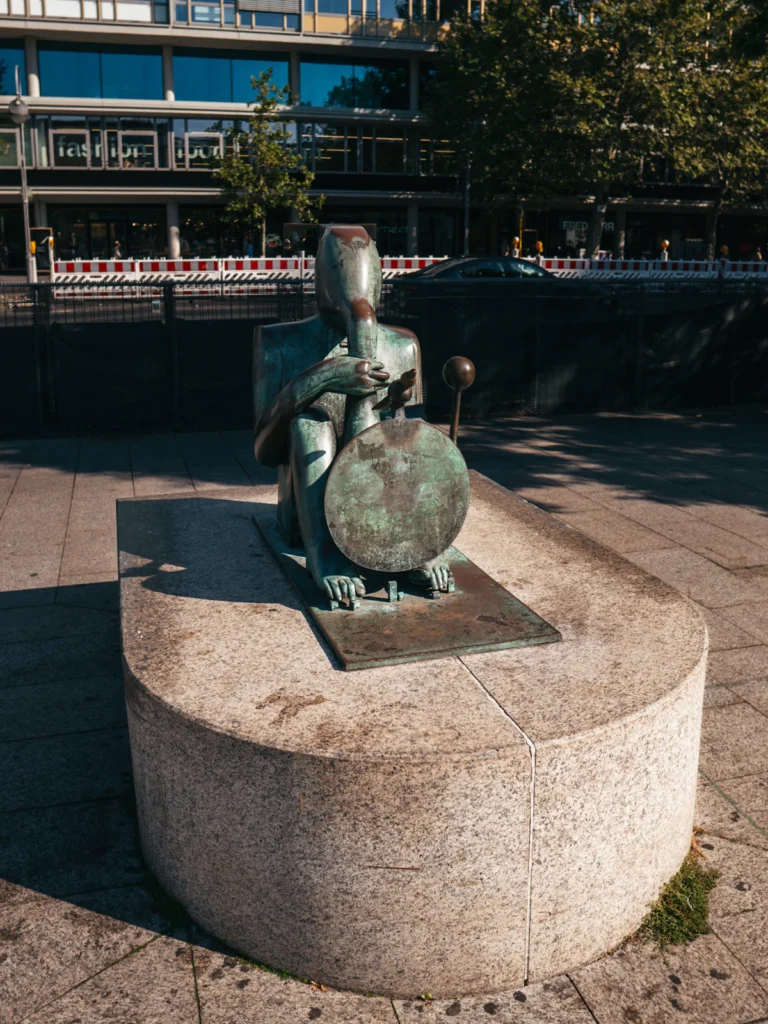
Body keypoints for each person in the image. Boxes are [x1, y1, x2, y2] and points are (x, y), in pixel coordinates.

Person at [253, 226, 452, 602]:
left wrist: (396, 401)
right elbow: (263, 451)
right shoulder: (279, 343)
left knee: (403, 427)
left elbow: (419, 440)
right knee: (311, 425)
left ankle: (411, 542)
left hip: (379, 484)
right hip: (313, 486)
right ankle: (323, 550)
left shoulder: (403, 344)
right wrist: (320, 379)